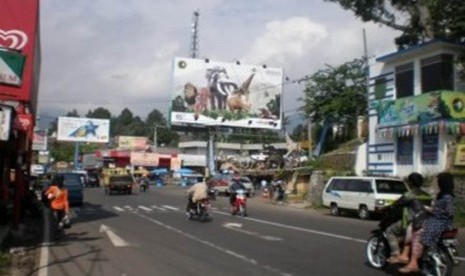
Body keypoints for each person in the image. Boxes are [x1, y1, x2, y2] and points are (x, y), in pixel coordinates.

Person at [399, 172, 455, 273]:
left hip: (439, 222)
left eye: (439, 181)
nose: (438, 183)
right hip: (438, 220)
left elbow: (448, 212)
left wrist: (431, 210)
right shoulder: (443, 194)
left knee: (417, 233)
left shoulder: (447, 196)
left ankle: (413, 263)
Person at [386, 172, 432, 264]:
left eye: (408, 182)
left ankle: (396, 255)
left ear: (410, 183)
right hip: (426, 222)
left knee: (389, 231)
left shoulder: (409, 194)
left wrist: (385, 208)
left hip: (412, 222)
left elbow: (396, 204)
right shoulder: (427, 195)